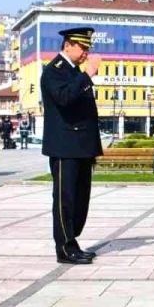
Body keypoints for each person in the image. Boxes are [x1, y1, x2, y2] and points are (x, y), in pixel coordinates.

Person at [40, 27, 103, 264]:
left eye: (88, 48)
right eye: (82, 47)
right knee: (64, 199)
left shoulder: (73, 72)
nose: (86, 52)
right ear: (68, 45)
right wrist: (87, 75)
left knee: (80, 199)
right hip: (65, 146)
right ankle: (64, 248)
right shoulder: (54, 71)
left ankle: (72, 241)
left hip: (81, 146)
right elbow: (64, 98)